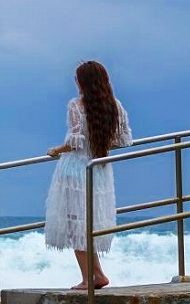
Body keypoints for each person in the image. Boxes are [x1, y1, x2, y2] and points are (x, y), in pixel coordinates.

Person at [45, 61, 133, 290]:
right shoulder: (115, 106)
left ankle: (87, 279)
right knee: (89, 222)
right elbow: (123, 140)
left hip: (75, 169)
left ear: (82, 82)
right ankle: (98, 275)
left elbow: (75, 142)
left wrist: (56, 150)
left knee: (76, 223)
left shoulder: (76, 105)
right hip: (98, 169)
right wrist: (99, 145)